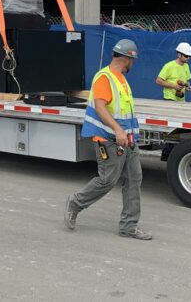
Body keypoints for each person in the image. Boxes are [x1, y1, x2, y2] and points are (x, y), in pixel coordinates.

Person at [64, 39, 152, 241]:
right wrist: (118, 130)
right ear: (127, 58)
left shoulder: (120, 78)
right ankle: (75, 203)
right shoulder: (104, 77)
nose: (133, 64)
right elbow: (100, 107)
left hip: (126, 140)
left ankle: (129, 227)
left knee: (134, 179)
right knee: (107, 180)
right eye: (133, 60)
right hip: (108, 139)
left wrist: (128, 135)